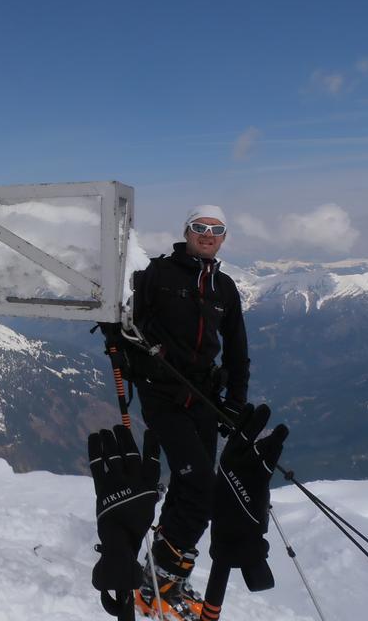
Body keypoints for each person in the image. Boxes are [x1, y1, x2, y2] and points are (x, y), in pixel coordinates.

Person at [127, 205, 250, 621]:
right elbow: (128, 321)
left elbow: (236, 350)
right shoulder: (157, 274)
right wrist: (142, 364)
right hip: (163, 394)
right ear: (187, 231)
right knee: (201, 490)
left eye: (217, 229)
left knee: (186, 488)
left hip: (205, 398)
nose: (208, 234)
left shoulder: (225, 288)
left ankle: (165, 575)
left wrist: (235, 401)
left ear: (224, 237)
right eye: (200, 227)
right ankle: (156, 583)